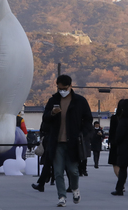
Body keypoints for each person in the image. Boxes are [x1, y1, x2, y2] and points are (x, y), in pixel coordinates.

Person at [42, 75, 93, 207]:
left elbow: (88, 120)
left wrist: (82, 133)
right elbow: (45, 118)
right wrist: (52, 113)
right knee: (58, 171)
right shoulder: (53, 100)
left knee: (73, 171)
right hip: (56, 141)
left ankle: (75, 189)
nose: (61, 90)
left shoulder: (80, 101)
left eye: (64, 88)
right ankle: (62, 197)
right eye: (59, 88)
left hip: (73, 142)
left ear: (70, 86)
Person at [31, 121, 55, 192]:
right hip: (51, 142)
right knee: (49, 164)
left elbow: (43, 128)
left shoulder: (48, 118)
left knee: (47, 164)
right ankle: (44, 182)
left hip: (50, 142)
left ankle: (42, 183)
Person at [108, 99, 126, 177]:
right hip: (125, 143)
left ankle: (120, 181)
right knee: (123, 165)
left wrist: (110, 141)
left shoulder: (114, 118)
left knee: (115, 163)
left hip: (115, 143)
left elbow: (111, 131)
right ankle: (122, 182)